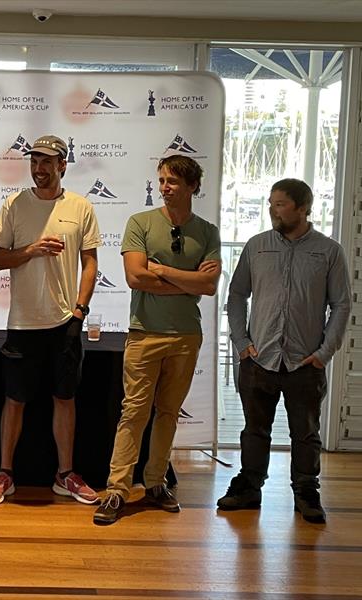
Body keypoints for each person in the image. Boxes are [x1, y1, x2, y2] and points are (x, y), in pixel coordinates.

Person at [94, 155, 221, 525]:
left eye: (173, 182)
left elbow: (209, 285)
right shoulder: (140, 223)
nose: (165, 188)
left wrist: (163, 270)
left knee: (168, 414)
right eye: (162, 180)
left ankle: (154, 483)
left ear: (193, 186)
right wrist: (187, 281)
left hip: (186, 335)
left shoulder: (208, 232)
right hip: (144, 333)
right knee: (133, 412)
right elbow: (135, 277)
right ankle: (117, 489)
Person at [217, 179, 350, 523]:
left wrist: (325, 352)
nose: (272, 210)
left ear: (303, 207)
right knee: (254, 429)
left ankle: (306, 491)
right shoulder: (257, 246)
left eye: (280, 204)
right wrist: (242, 342)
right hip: (259, 358)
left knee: (305, 432)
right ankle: (249, 487)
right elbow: (235, 296)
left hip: (304, 361)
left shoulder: (328, 251)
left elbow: (341, 304)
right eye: (271, 203)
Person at [0, 135, 101, 506]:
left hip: (64, 321)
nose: (39, 168)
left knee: (65, 398)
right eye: (34, 161)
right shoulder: (15, 204)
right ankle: (5, 472)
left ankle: (65, 475)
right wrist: (30, 251)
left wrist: (79, 310)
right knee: (14, 399)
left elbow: (91, 262)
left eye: (47, 161)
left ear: (63, 165)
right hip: (22, 322)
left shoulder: (81, 207)